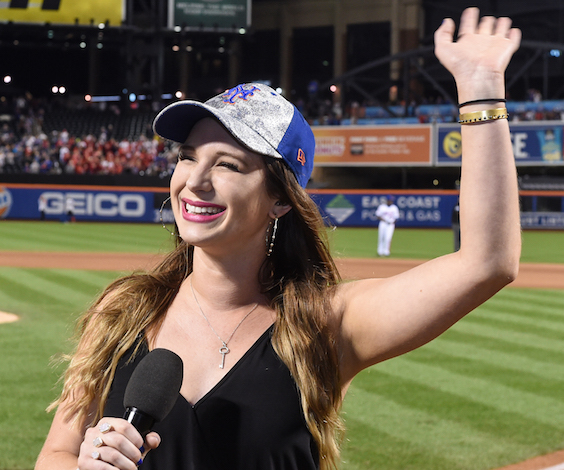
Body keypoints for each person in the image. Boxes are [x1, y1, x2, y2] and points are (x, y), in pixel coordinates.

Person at [35, 8, 522, 470]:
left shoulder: (324, 325)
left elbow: (488, 260)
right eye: (187, 156)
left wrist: (480, 89)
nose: (194, 180)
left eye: (227, 164)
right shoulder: (124, 309)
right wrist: (85, 461)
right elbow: (53, 454)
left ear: (280, 200)